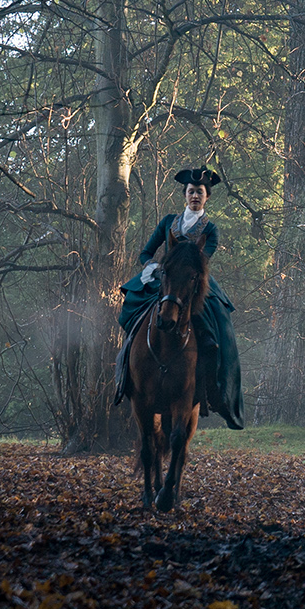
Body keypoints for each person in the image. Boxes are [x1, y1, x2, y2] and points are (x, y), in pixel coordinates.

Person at [114, 167, 245, 430]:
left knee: (220, 326)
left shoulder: (211, 229)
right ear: (184, 194)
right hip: (164, 279)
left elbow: (201, 260)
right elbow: (146, 252)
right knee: (131, 314)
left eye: (200, 192)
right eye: (191, 191)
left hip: (195, 284)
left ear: (206, 197)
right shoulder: (167, 222)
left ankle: (218, 392)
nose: (195, 195)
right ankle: (124, 378)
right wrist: (152, 265)